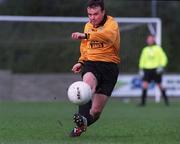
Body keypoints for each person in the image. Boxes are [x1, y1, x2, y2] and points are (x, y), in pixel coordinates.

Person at [70, 0, 120, 137]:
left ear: (103, 12)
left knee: (96, 111)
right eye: (89, 14)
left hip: (110, 68)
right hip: (92, 64)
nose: (92, 17)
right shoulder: (88, 26)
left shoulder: (112, 24)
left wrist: (85, 35)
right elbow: (85, 47)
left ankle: (81, 126)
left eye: (95, 14)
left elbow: (108, 37)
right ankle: (81, 122)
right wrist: (81, 62)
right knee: (86, 87)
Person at [138, 34, 169, 106]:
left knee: (160, 85)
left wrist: (162, 66)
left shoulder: (158, 48)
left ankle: (166, 101)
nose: (150, 40)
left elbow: (164, 58)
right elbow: (142, 59)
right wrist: (141, 69)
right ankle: (142, 103)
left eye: (151, 39)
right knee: (144, 85)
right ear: (147, 40)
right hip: (147, 70)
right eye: (149, 39)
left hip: (156, 69)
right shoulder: (145, 49)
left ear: (153, 40)